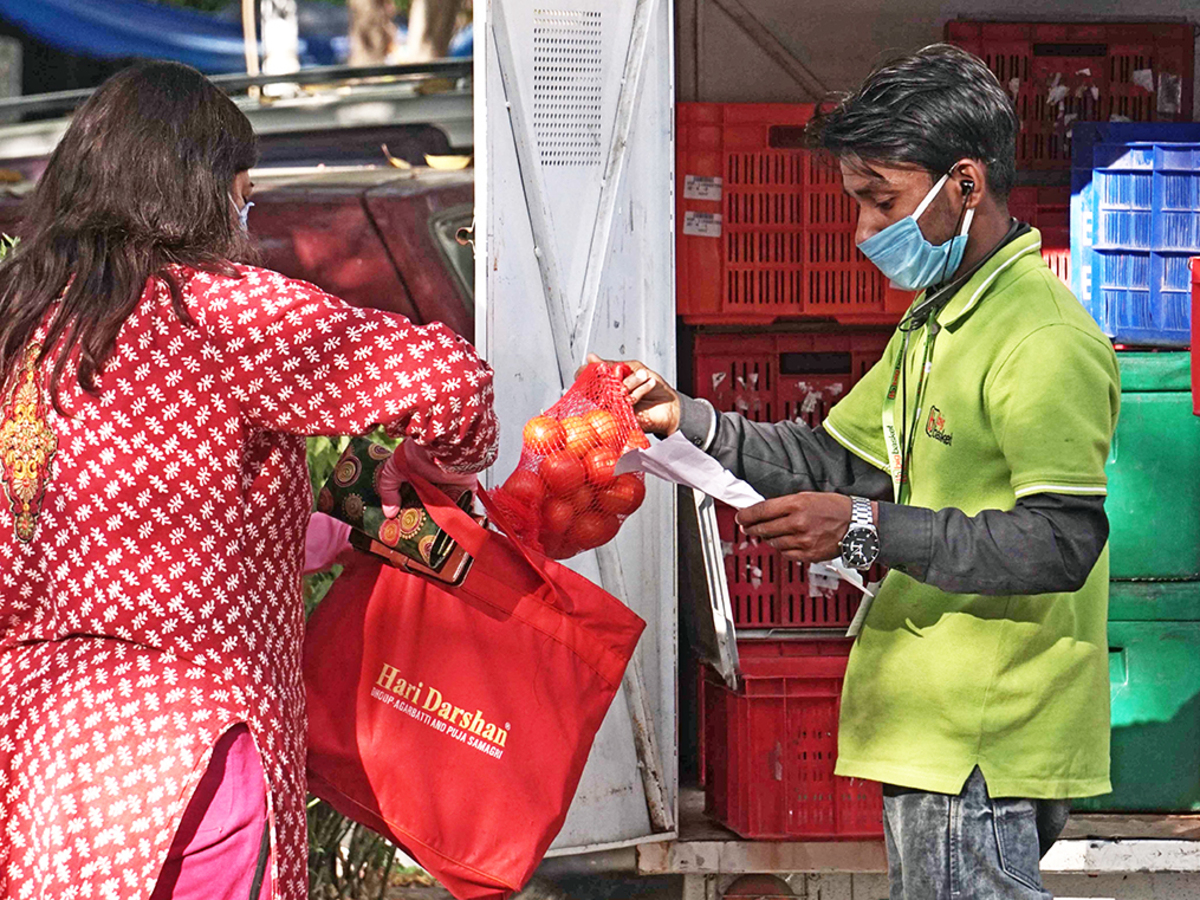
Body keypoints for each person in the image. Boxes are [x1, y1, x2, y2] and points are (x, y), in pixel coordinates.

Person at [601, 44, 1120, 900]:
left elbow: (1062, 541)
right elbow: (836, 458)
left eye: (882, 201)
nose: (863, 232)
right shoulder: (938, 321)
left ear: (966, 185)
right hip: (931, 725)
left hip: (980, 735)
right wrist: (685, 418)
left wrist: (864, 527)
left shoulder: (1042, 339)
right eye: (857, 204)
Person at [0, 62, 498, 899]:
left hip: (48, 763)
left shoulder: (31, 322)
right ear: (198, 192)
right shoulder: (217, 313)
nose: (245, 214)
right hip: (190, 761)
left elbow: (147, 523)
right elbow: (453, 388)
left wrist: (337, 521)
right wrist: (441, 459)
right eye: (243, 193)